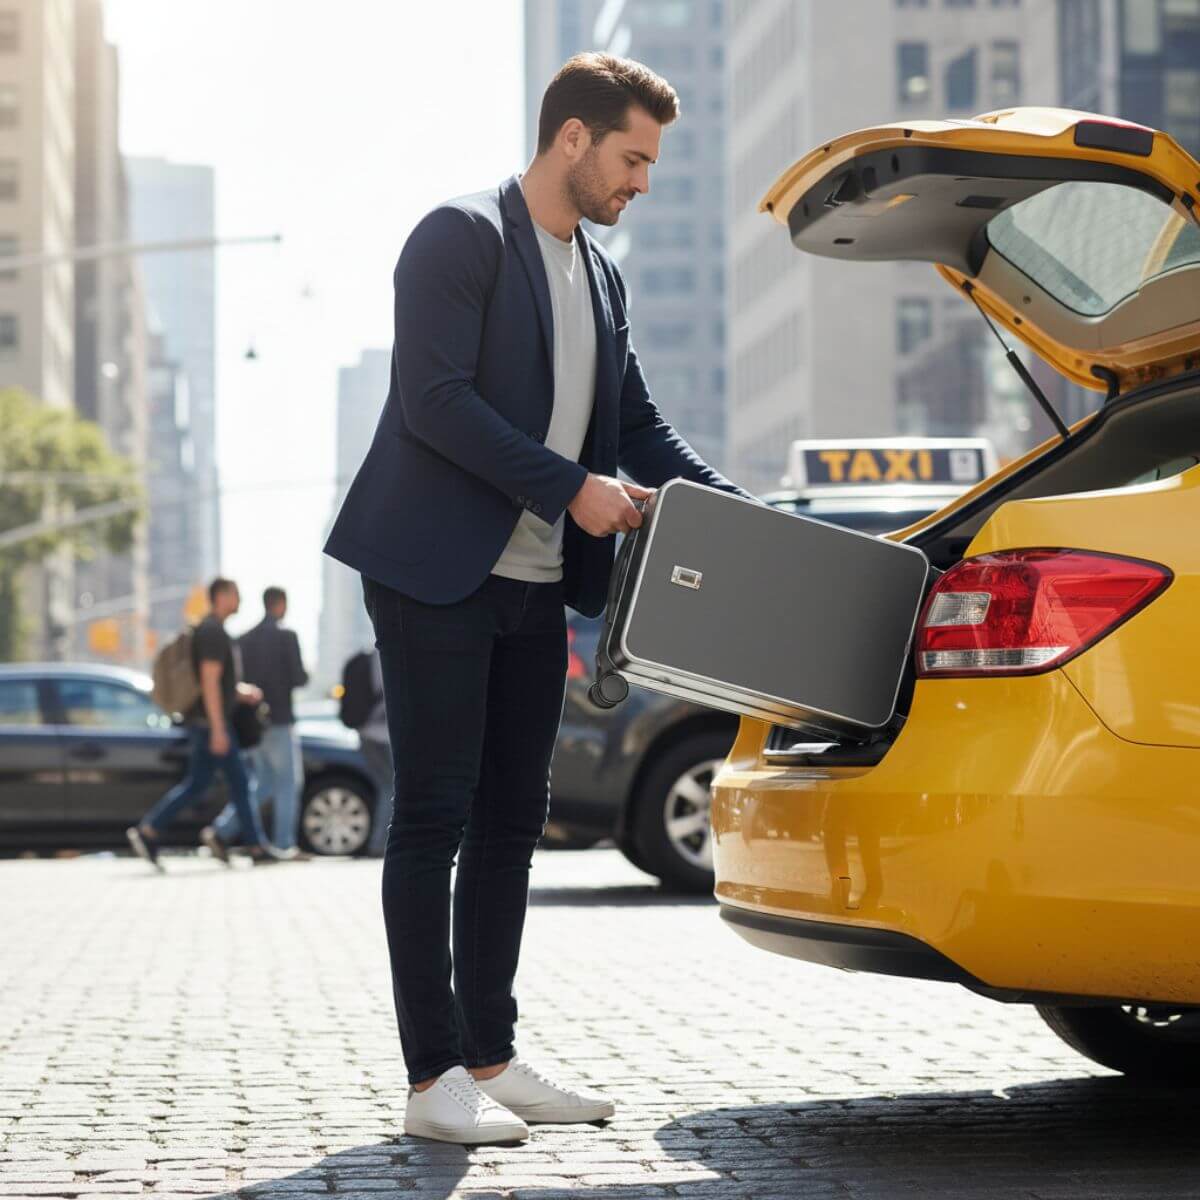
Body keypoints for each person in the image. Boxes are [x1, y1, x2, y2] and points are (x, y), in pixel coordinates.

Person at [323, 52, 753, 1145]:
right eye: (633, 159)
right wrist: (573, 488)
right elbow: (434, 401)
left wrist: (746, 515)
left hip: (535, 581)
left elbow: (640, 425)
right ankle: (432, 1080)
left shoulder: (600, 276)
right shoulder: (457, 236)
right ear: (573, 138)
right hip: (433, 570)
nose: (642, 182)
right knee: (434, 812)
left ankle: (491, 1057)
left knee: (514, 818)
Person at [127, 577, 275, 870]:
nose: (240, 600)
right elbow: (209, 682)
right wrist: (218, 728)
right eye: (235, 594)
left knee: (199, 784)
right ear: (221, 596)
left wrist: (240, 692)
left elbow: (215, 682)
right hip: (211, 722)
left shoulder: (211, 630)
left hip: (206, 720)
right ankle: (254, 846)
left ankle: (150, 830)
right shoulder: (212, 632)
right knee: (240, 783)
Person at [203, 586, 309, 860]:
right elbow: (299, 677)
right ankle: (284, 844)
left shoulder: (244, 639)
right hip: (280, 719)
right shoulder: (287, 636)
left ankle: (221, 830)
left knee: (262, 783)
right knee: (288, 783)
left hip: (252, 725)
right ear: (281, 604)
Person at [357, 649, 393, 858]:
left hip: (365, 734)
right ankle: (379, 843)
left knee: (385, 787)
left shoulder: (367, 658)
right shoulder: (388, 657)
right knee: (390, 788)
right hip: (384, 736)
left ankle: (378, 842)